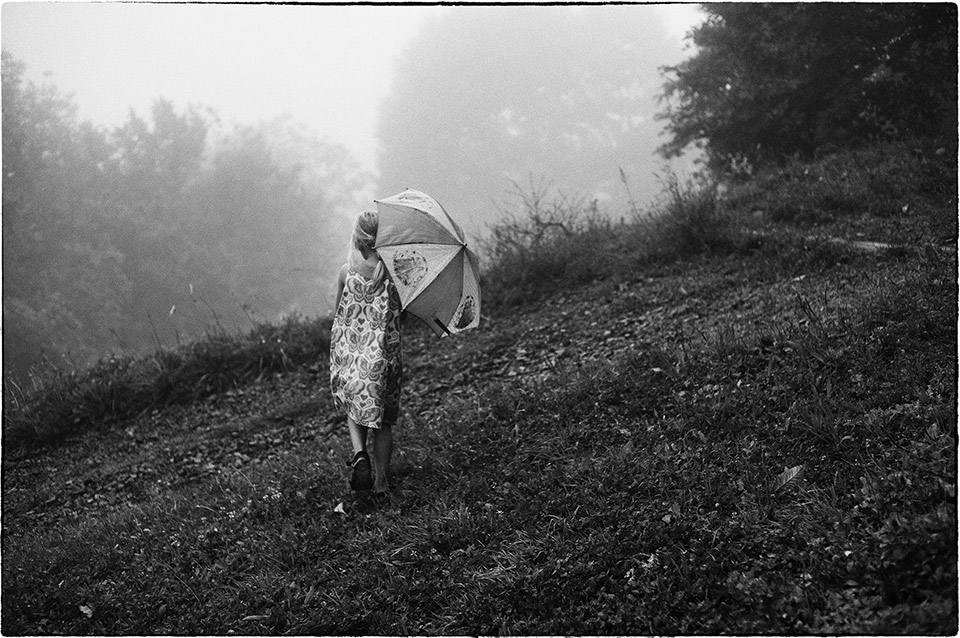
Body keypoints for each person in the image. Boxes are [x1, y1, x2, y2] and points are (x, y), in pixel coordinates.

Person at [330, 210, 403, 495]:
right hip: (383, 360)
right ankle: (381, 484)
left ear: (358, 240)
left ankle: (360, 455)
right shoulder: (395, 277)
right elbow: (401, 318)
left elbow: (338, 314)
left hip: (351, 358)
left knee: (355, 411)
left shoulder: (346, 273)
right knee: (382, 423)